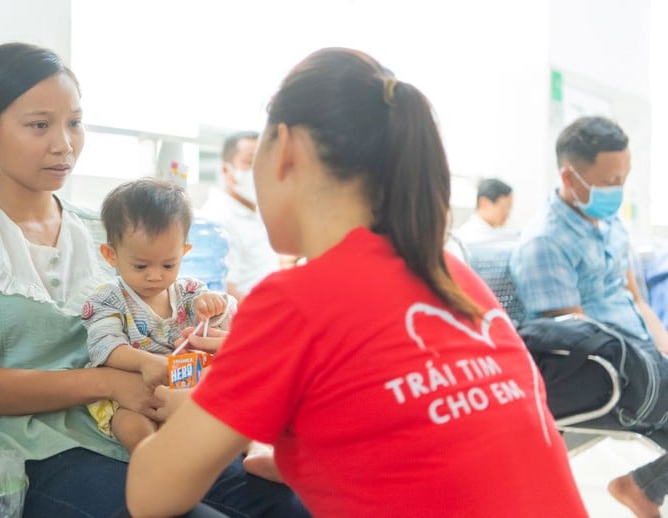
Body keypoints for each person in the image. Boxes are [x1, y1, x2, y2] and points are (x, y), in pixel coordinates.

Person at [125, 47, 587, 518]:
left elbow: (148, 497)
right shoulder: (449, 272)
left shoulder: (296, 301)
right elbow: (424, 435)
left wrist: (196, 413)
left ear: (285, 148)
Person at [0, 42, 308, 518]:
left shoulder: (105, 230)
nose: (64, 143)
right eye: (40, 125)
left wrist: (201, 336)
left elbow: (168, 313)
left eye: (75, 123)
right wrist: (109, 383)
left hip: (141, 420)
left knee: (290, 504)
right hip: (34, 448)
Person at [510, 115, 668, 518]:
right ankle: (642, 488)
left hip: (643, 361)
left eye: (624, 178)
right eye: (610, 181)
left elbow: (637, 299)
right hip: (607, 375)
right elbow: (575, 342)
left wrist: (662, 351)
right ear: (570, 175)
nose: (619, 190)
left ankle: (643, 488)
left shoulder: (611, 225)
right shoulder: (545, 243)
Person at [83, 177, 236, 453]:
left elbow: (217, 324)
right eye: (141, 266)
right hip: (131, 393)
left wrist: (213, 306)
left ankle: (252, 451)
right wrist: (145, 362)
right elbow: (104, 346)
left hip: (185, 390)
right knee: (131, 426)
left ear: (184, 252)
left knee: (227, 416)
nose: (155, 276)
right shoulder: (107, 298)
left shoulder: (190, 291)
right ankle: (152, 463)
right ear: (111, 255)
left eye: (168, 264)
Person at [199, 131, 283, 302]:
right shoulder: (218, 218)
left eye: (266, 162)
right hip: (250, 319)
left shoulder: (254, 209)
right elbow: (225, 291)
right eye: (250, 162)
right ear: (226, 170)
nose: (260, 170)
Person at [453, 178, 516, 244]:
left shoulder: (495, 233)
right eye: (503, 207)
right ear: (484, 203)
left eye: (509, 208)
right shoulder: (471, 236)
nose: (507, 213)